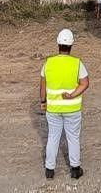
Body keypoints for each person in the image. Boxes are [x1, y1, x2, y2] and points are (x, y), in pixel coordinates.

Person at [40, 28, 88, 181]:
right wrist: (72, 95)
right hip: (72, 108)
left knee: (53, 137)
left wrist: (43, 102)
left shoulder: (49, 63)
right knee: (73, 137)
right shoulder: (77, 63)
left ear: (58, 44)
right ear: (71, 45)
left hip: (53, 108)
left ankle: (49, 169)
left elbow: (42, 86)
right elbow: (85, 83)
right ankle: (75, 169)